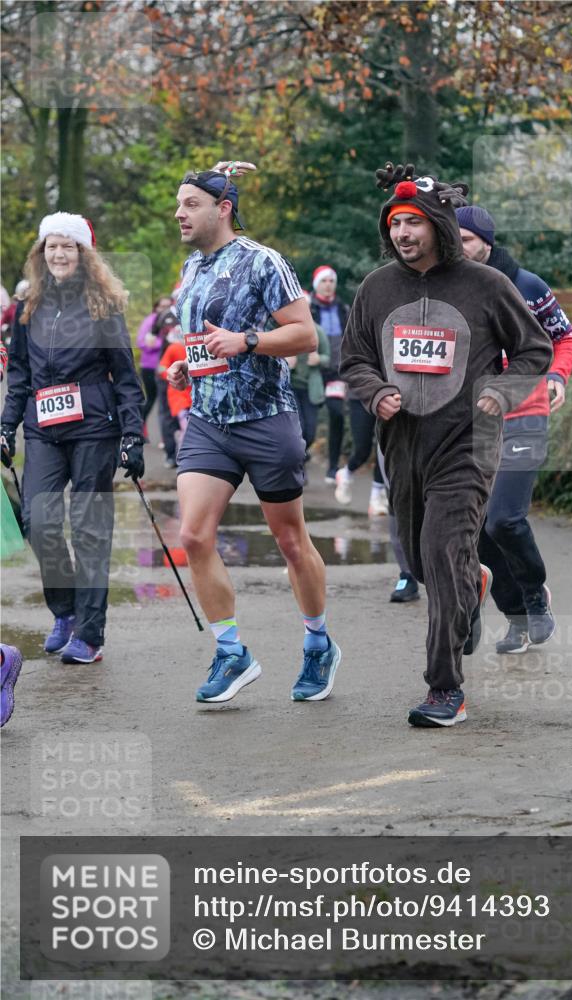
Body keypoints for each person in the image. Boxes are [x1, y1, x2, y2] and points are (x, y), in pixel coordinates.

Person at [340, 163, 552, 728]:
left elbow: (535, 350)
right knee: (421, 557)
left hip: (468, 441)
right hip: (404, 442)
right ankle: (472, 581)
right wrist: (376, 390)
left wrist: (502, 393)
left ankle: (443, 689)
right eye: (394, 224)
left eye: (412, 223)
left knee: (440, 548)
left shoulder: (487, 286)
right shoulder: (376, 288)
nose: (402, 234)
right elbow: (354, 358)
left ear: (437, 223)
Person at [167, 162, 340, 704]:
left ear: (222, 209)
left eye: (190, 203)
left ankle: (317, 643)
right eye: (178, 204)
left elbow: (304, 334)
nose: (178, 212)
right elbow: (203, 343)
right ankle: (231, 651)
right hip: (208, 421)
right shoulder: (192, 268)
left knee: (291, 541)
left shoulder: (264, 262)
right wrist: (188, 367)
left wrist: (247, 341)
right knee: (193, 536)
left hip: (266, 419)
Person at [0, 212, 145, 663]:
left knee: (89, 529)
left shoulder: (104, 305)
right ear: (40, 254)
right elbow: (19, 375)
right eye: (51, 246)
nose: (58, 254)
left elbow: (125, 376)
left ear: (83, 254)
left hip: (94, 429)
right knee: (40, 524)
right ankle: (63, 611)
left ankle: (90, 632)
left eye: (67, 246)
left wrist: (133, 435)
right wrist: (6, 426)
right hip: (42, 428)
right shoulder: (29, 309)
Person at [456, 205, 572, 652]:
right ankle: (516, 616)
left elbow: (566, 336)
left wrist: (555, 376)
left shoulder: (527, 286)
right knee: (477, 527)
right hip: (473, 421)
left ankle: (535, 595)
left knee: (504, 519)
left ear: (486, 242)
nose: (460, 248)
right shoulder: (452, 288)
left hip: (525, 411)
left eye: (466, 240)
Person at [309, 266, 350, 482]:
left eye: (331, 281)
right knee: (308, 421)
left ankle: (333, 466)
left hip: (335, 373)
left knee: (337, 415)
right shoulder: (308, 308)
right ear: (317, 285)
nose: (328, 285)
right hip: (312, 373)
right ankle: (300, 460)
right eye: (324, 281)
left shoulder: (343, 308)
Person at [287, 319, 330, 465]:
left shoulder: (317, 331)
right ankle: (298, 465)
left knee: (310, 432)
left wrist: (319, 359)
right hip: (290, 388)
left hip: (310, 389)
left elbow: (327, 357)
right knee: (299, 428)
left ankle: (301, 458)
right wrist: (284, 361)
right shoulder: (285, 331)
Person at [136, 294, 173, 436]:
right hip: (150, 367)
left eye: (168, 306)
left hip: (167, 367)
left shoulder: (172, 320)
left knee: (165, 404)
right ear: (156, 307)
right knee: (151, 399)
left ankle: (167, 436)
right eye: (162, 306)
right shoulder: (150, 321)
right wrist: (162, 343)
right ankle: (139, 425)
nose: (164, 309)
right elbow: (142, 342)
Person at [158, 321, 191, 446]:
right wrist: (172, 374)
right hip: (179, 395)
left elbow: (161, 369)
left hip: (191, 395)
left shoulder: (191, 347)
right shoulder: (174, 348)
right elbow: (161, 368)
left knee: (187, 428)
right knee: (186, 428)